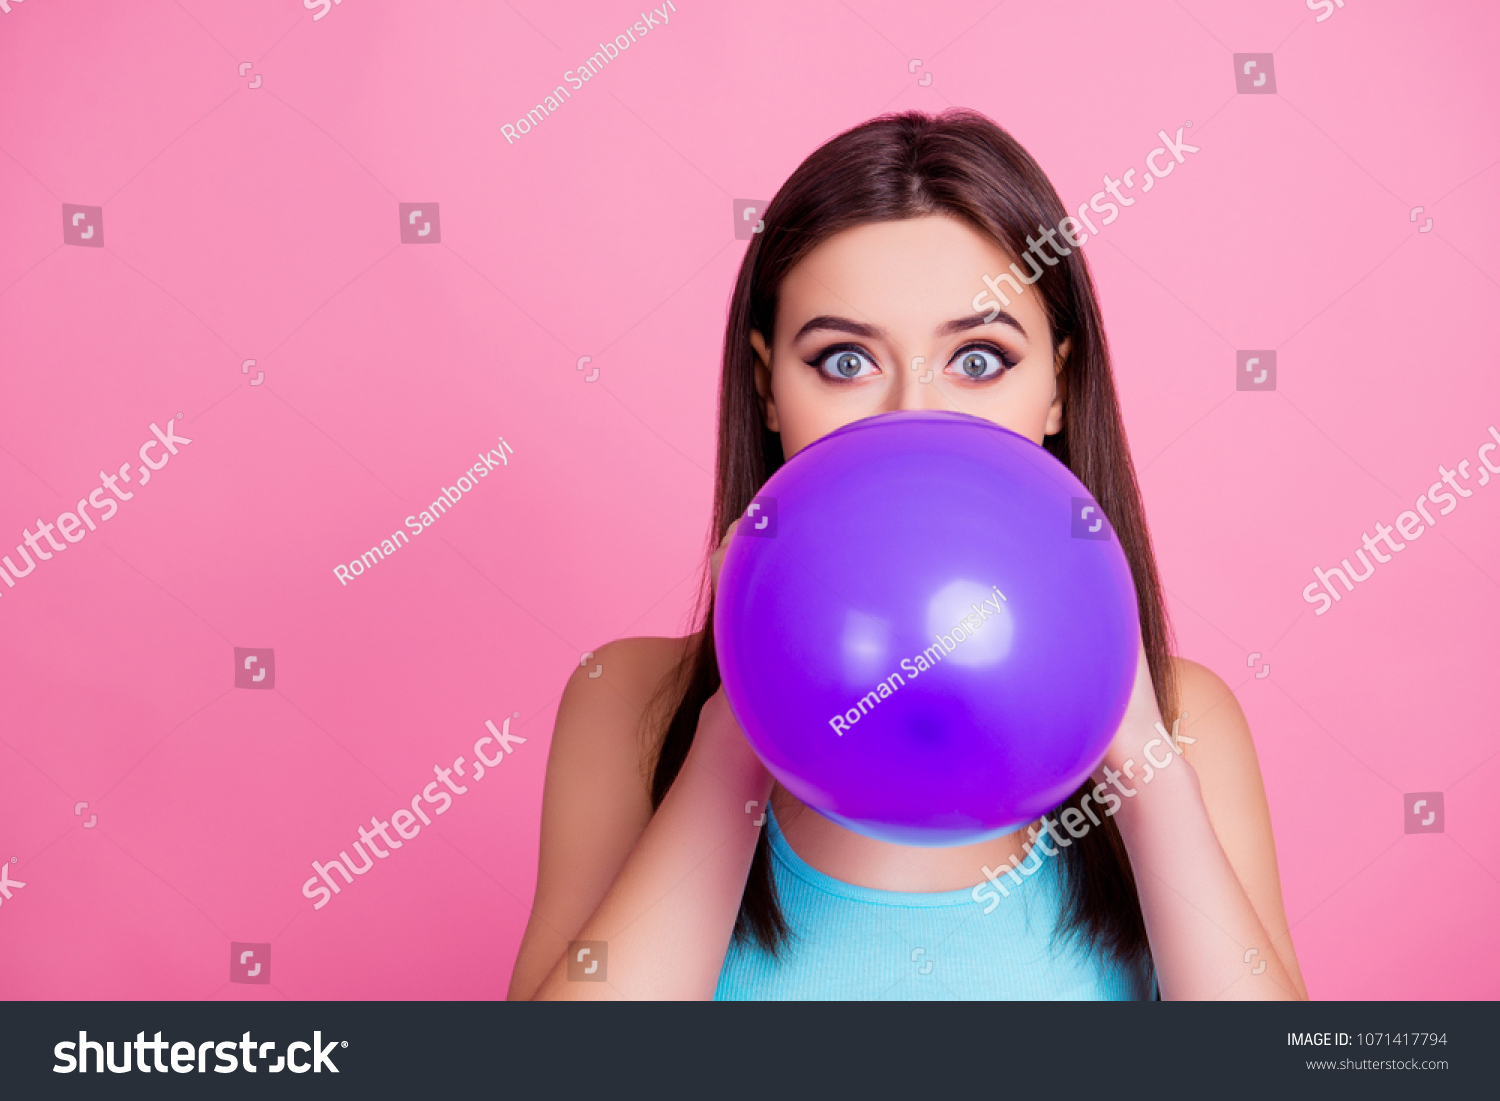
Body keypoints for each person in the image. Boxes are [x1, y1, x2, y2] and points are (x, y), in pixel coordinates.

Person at [508, 109, 1309, 1001]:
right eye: (846, 361)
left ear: (1058, 386)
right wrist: (743, 716)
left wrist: (1143, 768)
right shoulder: (629, 705)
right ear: (770, 387)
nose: (910, 420)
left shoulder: (1187, 718)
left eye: (979, 358)